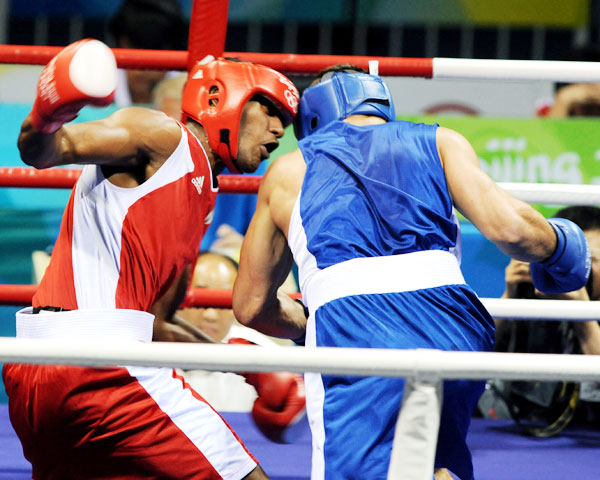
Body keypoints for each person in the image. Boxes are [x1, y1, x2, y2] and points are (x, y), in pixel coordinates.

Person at [232, 65, 591, 480]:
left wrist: (305, 326)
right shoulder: (440, 141)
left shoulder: (287, 171)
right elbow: (512, 229)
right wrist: (562, 248)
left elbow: (251, 304)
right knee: (438, 462)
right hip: (454, 322)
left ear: (311, 116)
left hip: (352, 329)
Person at [2, 38, 299, 479]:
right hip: (102, 367)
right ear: (219, 97)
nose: (279, 129)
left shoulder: (202, 199)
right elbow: (45, 151)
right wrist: (49, 110)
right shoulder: (163, 137)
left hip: (37, 374)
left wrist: (244, 366)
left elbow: (154, 324)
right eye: (270, 109)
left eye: (286, 120)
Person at [171, 251, 306, 443]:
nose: (211, 314)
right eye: (203, 296)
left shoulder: (262, 355)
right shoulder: (144, 347)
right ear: (177, 294)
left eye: (221, 300)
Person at [490, 205, 600, 432]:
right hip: (514, 423)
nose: (578, 268)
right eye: (566, 258)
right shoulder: (530, 294)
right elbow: (472, 355)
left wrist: (582, 313)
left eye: (590, 259)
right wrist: (510, 297)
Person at [109, 0, 188, 105]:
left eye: (155, 48)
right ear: (122, 43)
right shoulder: (97, 83)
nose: (141, 70)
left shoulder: (188, 87)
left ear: (171, 49)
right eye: (135, 46)